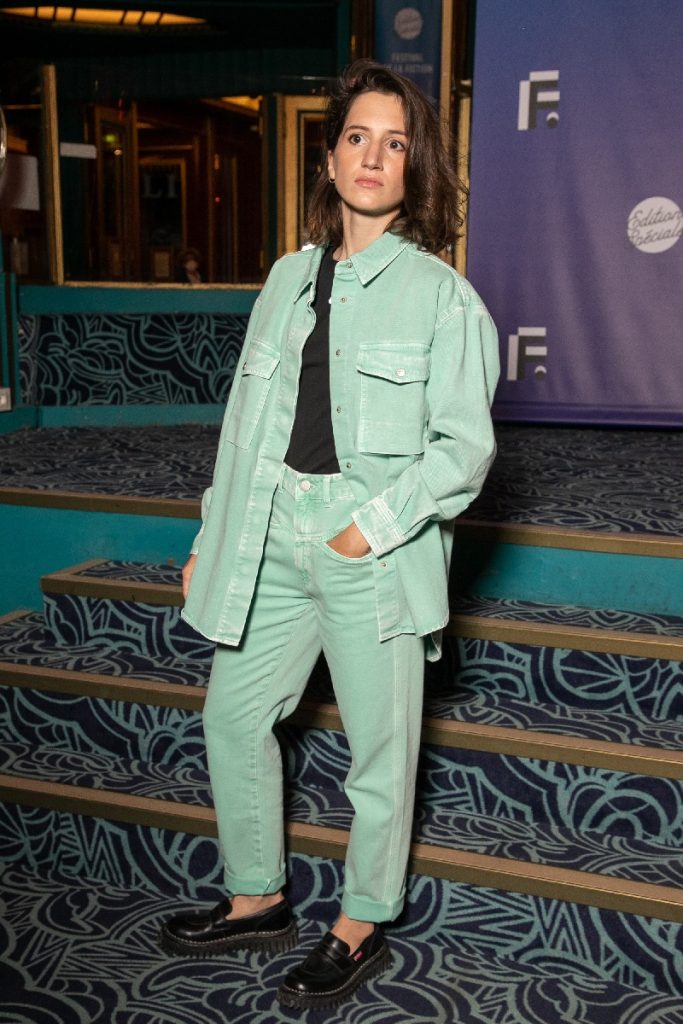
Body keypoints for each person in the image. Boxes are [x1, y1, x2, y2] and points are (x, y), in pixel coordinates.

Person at [159, 59, 499, 1010]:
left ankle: (359, 921)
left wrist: (370, 529)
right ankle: (258, 894)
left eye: (395, 143)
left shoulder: (440, 296)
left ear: (413, 169)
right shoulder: (283, 279)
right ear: (331, 153)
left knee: (379, 752)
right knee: (231, 716)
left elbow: (463, 453)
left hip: (367, 544)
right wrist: (210, 535)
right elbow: (242, 427)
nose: (373, 156)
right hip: (267, 534)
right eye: (358, 136)